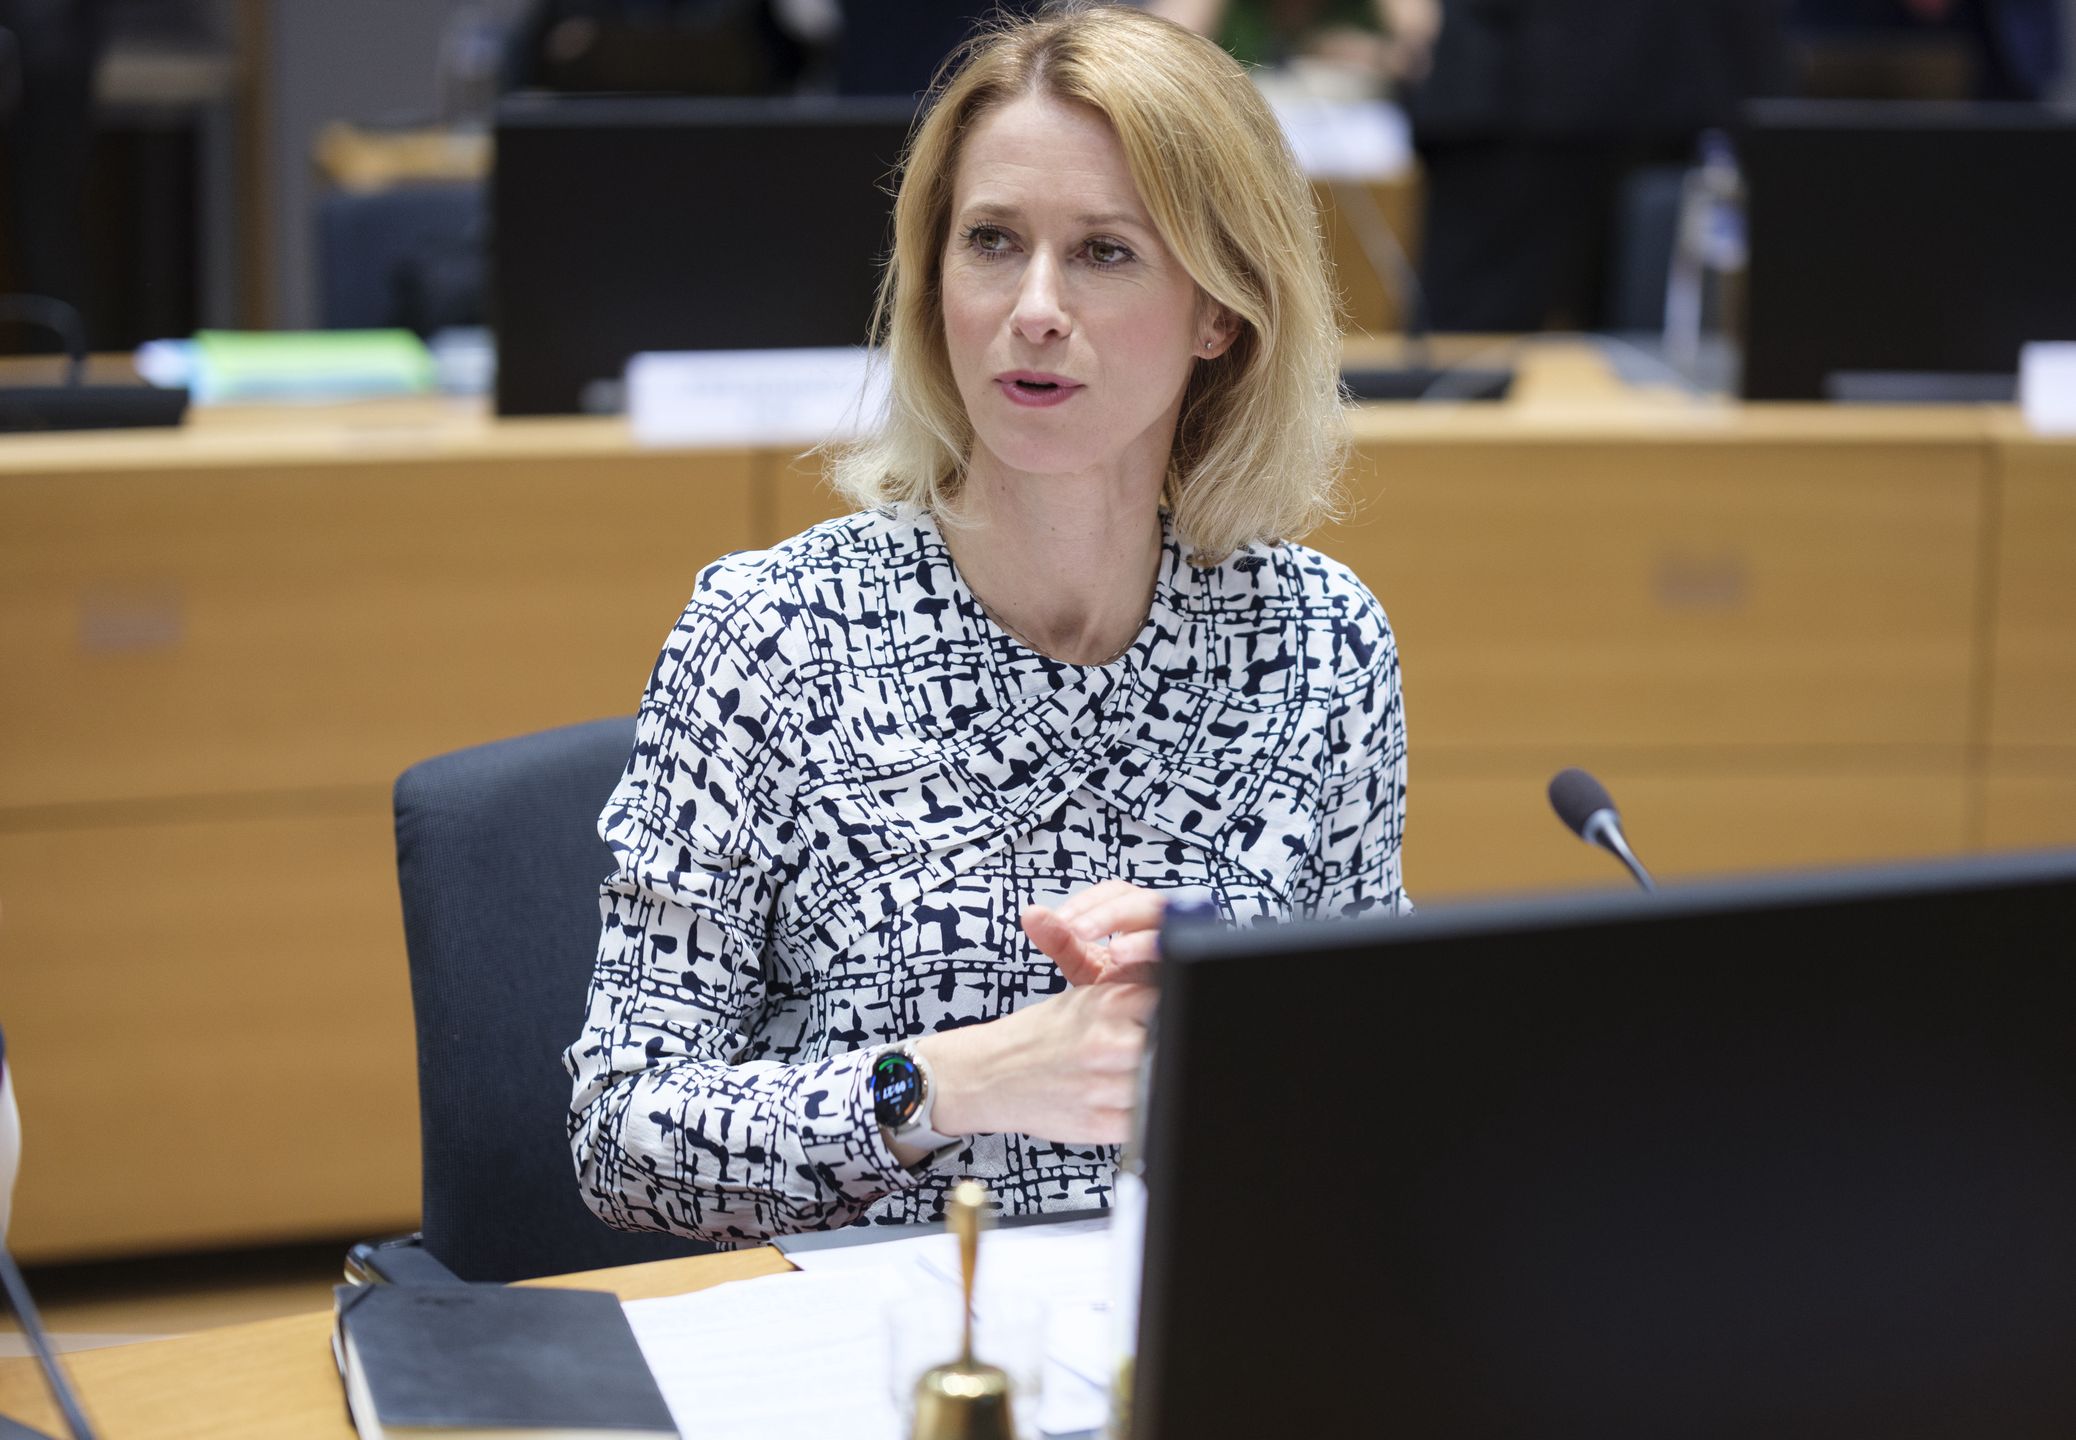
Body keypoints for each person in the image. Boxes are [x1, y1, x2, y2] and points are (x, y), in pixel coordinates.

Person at [566, 1, 1410, 1248]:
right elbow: (622, 1132)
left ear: (1220, 311)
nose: (1034, 306)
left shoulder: (1321, 646)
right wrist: (946, 1083)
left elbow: (1379, 1096)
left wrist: (1239, 1020)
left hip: (1179, 1343)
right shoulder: (774, 637)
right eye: (993, 242)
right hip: (873, 1367)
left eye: (1106, 252)